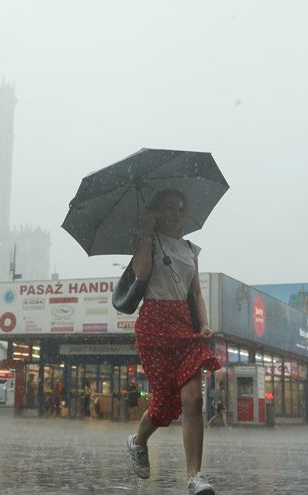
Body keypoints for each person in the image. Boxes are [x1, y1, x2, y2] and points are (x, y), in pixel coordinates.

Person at [124, 189, 221, 495]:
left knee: (193, 398)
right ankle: (138, 441)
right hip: (154, 325)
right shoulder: (147, 240)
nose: (177, 214)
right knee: (165, 402)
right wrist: (144, 233)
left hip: (184, 325)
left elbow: (196, 293)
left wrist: (203, 323)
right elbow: (141, 275)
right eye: (169, 209)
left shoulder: (191, 249)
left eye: (180, 208)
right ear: (157, 212)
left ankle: (194, 475)